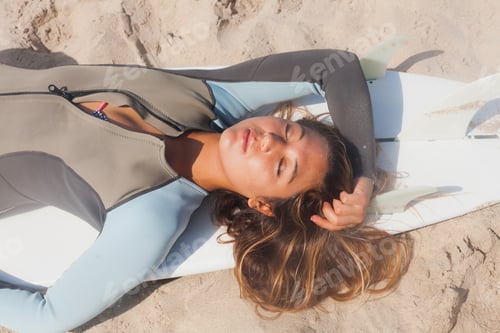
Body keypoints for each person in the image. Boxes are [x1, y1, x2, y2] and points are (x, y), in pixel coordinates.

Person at [0, 49, 410, 332]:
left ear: (262, 204)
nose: (269, 142)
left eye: (282, 165)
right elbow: (334, 66)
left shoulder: (148, 217)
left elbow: (47, 317)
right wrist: (364, 175)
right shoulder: (212, 95)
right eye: (288, 131)